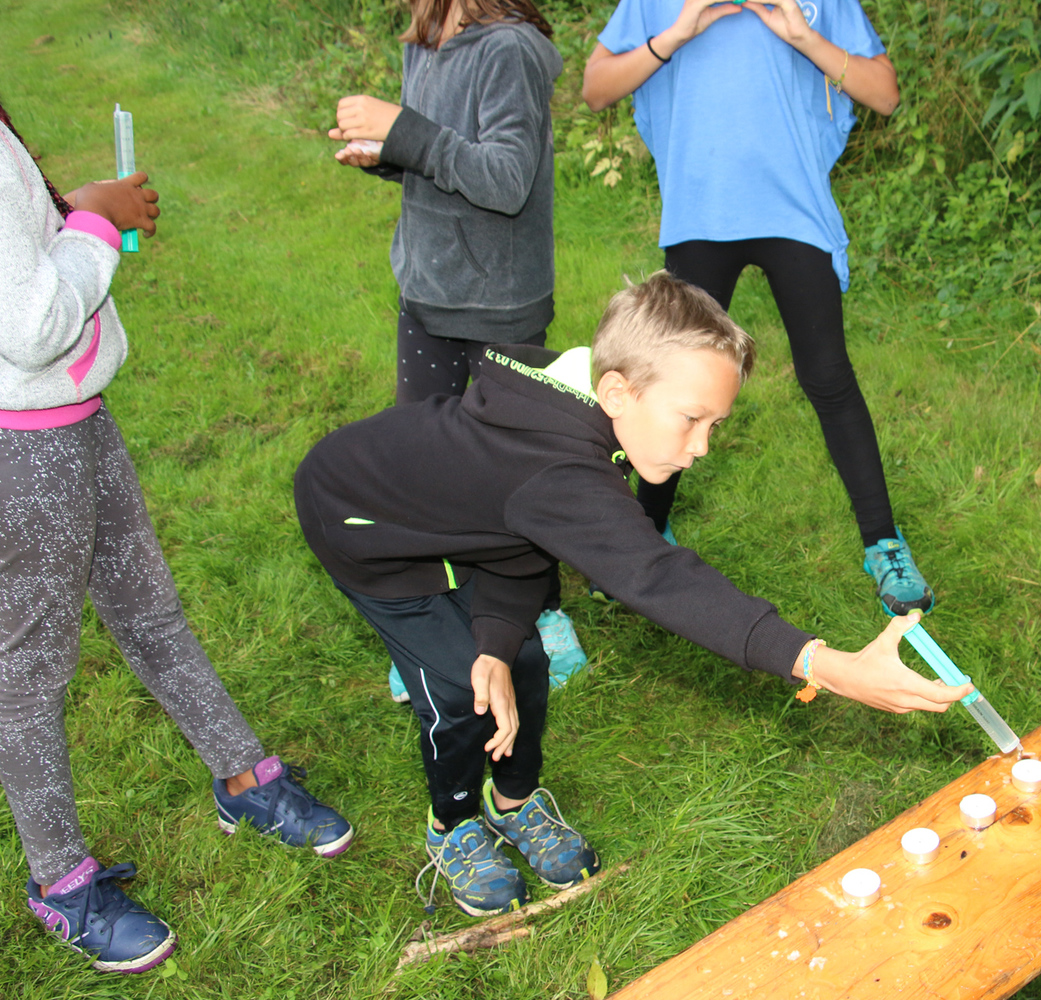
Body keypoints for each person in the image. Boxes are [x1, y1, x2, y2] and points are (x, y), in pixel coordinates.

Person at [294, 273, 969, 916]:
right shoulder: (556, 466)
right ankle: (453, 822)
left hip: (471, 527)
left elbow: (521, 534)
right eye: (691, 419)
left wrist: (498, 640)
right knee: (454, 687)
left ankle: (514, 799)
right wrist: (824, 664)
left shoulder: (575, 410)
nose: (702, 447)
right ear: (618, 392)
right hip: (368, 533)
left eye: (715, 425)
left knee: (520, 660)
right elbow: (657, 577)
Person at [0, 103, 352, 974]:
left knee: (150, 609)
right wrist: (92, 221)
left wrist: (76, 210)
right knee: (30, 672)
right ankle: (60, 882)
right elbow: (30, 325)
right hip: (22, 445)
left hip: (74, 415)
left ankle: (241, 775)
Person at [579, 0, 935, 618]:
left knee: (827, 375)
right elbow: (595, 89)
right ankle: (642, 534)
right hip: (700, 210)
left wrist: (803, 35)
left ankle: (883, 543)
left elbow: (884, 94)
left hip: (796, 211)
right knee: (673, 381)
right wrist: (678, 32)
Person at [326, 0, 587, 696]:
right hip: (427, 290)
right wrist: (386, 152)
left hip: (501, 301)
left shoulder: (509, 50)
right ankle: (437, 623)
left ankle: (543, 615)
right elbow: (439, 156)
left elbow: (505, 180)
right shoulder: (424, 41)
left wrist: (403, 131)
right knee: (420, 470)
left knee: (514, 470)